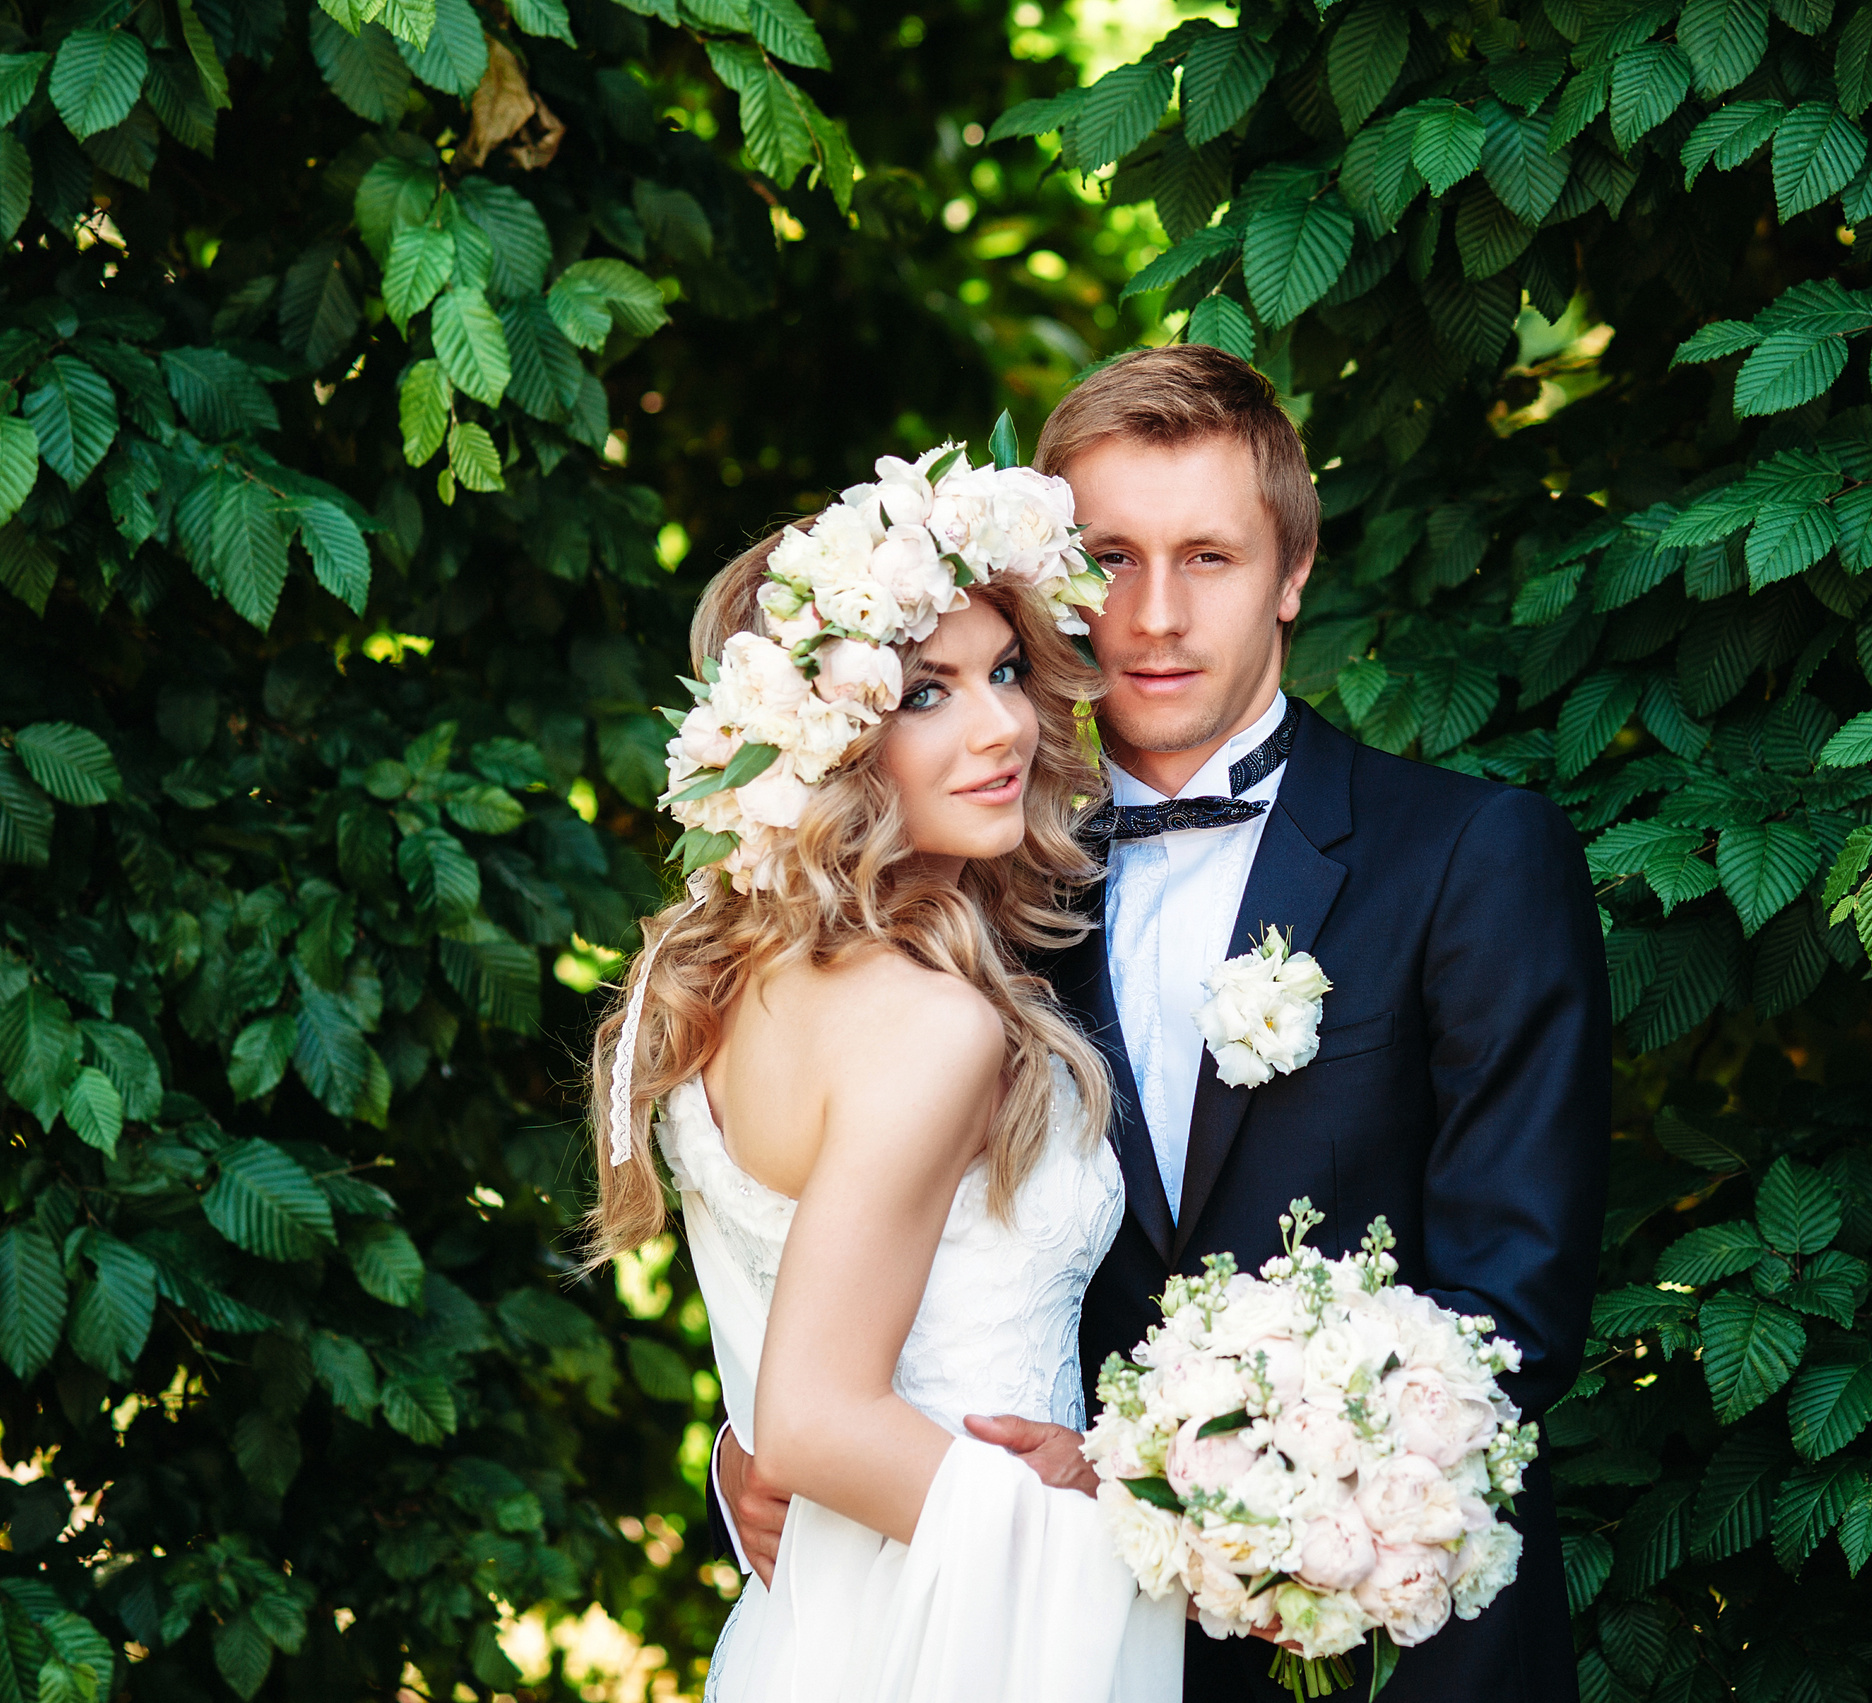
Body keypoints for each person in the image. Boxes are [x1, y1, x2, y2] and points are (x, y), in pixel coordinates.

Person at [712, 346, 1611, 1699]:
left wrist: (1152, 1486)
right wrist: (750, 1455)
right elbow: (840, 1247)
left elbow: (1509, 1321)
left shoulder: (1469, 856)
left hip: (1387, 1649)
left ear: (1292, 570)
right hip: (1029, 1645)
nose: (1152, 616)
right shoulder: (970, 890)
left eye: (1208, 557)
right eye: (1111, 559)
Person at [589, 457, 1183, 1703]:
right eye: (925, 692)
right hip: (970, 1644)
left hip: (812, 1633)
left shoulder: (721, 982)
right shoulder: (929, 1023)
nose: (1002, 727)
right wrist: (1131, 1536)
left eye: (1006, 672)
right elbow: (813, 1416)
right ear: (821, 739)